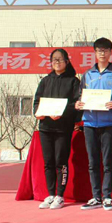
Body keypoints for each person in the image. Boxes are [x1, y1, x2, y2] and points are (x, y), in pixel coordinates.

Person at [76, 38, 112, 211]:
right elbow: (80, 96)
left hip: (109, 123)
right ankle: (95, 197)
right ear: (95, 52)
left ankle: (107, 197)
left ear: (110, 52)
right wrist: (78, 103)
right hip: (90, 122)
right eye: (99, 50)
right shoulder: (87, 75)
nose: (102, 53)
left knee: (107, 162)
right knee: (92, 162)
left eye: (105, 50)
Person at [33, 48, 80, 210]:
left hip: (62, 128)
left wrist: (62, 113)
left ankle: (60, 195)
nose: (57, 62)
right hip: (45, 127)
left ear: (67, 61)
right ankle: (50, 194)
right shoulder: (45, 80)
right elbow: (37, 101)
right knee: (48, 162)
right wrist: (37, 113)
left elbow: (76, 104)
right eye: (54, 60)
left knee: (61, 162)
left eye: (60, 59)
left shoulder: (73, 81)